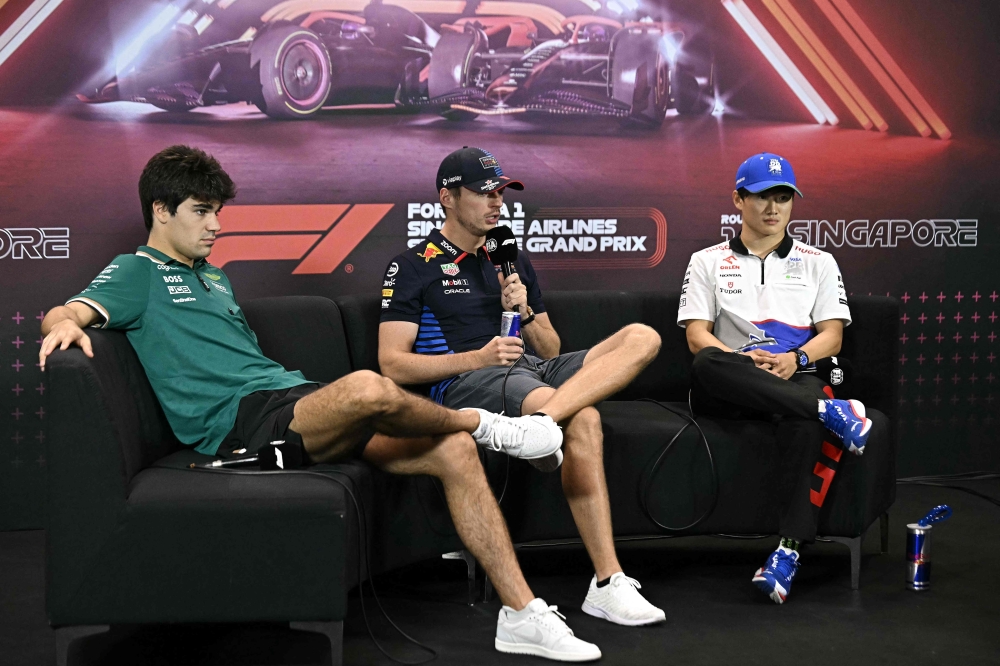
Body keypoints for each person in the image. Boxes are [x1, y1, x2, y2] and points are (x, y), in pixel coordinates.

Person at [39, 145, 602, 662]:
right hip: (241, 425)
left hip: (287, 402)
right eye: (200, 212)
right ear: (161, 210)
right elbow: (66, 311)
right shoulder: (137, 271)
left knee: (451, 451)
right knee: (367, 386)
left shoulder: (214, 278)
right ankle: (492, 427)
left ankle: (522, 613)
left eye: (218, 212)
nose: (215, 226)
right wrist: (61, 326)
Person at [378, 147, 667, 646]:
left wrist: (526, 309)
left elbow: (551, 349)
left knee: (643, 337)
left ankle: (542, 425)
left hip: (532, 372)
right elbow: (392, 363)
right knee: (587, 420)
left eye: (501, 193)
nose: (497, 203)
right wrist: (478, 357)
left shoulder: (508, 256)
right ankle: (607, 579)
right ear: (447, 197)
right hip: (467, 383)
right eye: (484, 193)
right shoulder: (412, 266)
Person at [677, 152, 873, 604]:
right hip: (730, 379)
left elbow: (833, 337)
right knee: (707, 363)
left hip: (792, 373)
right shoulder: (706, 260)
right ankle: (831, 411)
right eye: (763, 197)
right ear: (738, 200)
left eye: (783, 198)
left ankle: (786, 554)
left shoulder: (818, 261)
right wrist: (747, 364)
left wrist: (796, 359)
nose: (773, 208)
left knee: (802, 419)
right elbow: (696, 337)